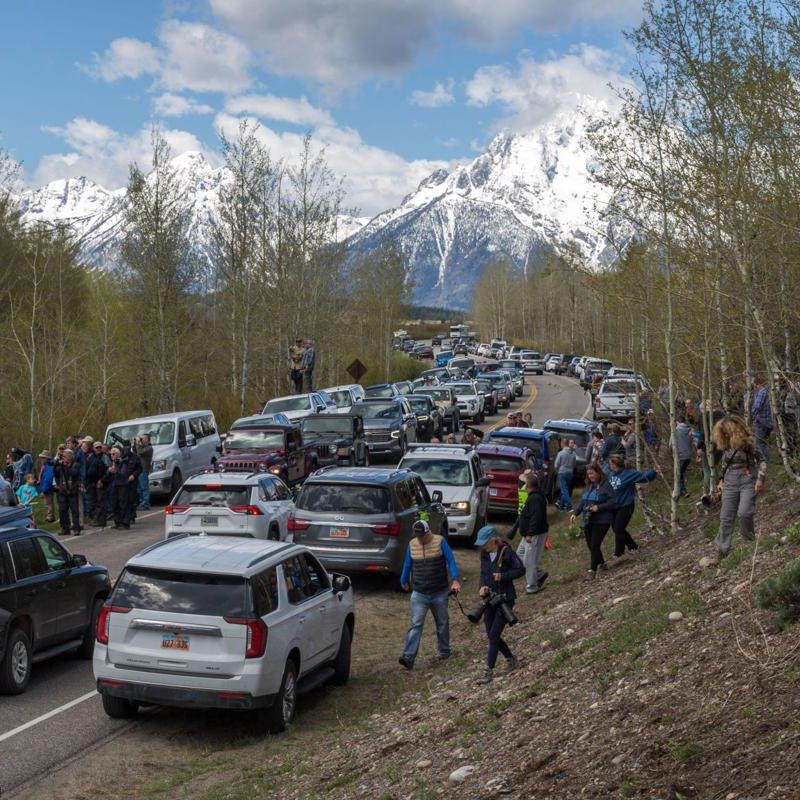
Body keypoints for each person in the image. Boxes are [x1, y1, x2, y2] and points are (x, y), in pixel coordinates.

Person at [398, 520, 461, 669]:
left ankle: (444, 651)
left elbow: (451, 560)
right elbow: (408, 563)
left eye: (421, 533)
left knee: (442, 623)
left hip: (439, 591)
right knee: (416, 624)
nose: (419, 537)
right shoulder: (412, 544)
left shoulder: (440, 541)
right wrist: (403, 579)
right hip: (419, 592)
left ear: (427, 531)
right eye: (417, 534)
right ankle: (408, 657)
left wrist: (455, 580)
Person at [711, 415, 767, 561]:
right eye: (722, 432)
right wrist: (721, 479)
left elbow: (762, 461)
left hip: (747, 478)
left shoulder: (748, 442)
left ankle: (750, 541)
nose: (724, 434)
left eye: (726, 431)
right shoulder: (726, 444)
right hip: (730, 480)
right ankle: (722, 550)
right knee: (726, 517)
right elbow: (725, 463)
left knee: (744, 513)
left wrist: (760, 479)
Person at [474, 526, 525, 684]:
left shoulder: (506, 552)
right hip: (489, 599)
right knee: (491, 634)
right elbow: (483, 574)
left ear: (493, 540)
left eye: (485, 543)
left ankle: (488, 670)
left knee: (494, 634)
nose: (483, 546)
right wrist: (481, 587)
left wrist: (502, 576)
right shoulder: (484, 555)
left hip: (505, 599)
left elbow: (520, 570)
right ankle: (511, 659)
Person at [607, 454, 658, 559]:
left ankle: (619, 552)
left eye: (611, 464)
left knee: (619, 528)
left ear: (616, 464)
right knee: (616, 529)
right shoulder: (610, 475)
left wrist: (654, 471)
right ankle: (633, 546)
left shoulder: (628, 474)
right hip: (614, 507)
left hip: (626, 506)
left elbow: (644, 476)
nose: (609, 466)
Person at [571, 464, 616, 581]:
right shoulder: (589, 486)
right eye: (588, 474)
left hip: (602, 520)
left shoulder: (606, 485)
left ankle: (592, 571)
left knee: (595, 544)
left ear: (598, 472)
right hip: (588, 519)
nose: (590, 476)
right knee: (590, 545)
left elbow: (613, 502)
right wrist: (575, 513)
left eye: (591, 473)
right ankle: (601, 563)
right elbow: (582, 501)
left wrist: (599, 507)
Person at [515, 473, 549, 594]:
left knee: (530, 561)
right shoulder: (533, 497)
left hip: (534, 534)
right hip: (527, 534)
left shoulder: (535, 499)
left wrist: (530, 533)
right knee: (519, 557)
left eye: (524, 483)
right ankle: (539, 575)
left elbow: (536, 518)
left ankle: (532, 587)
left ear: (528, 485)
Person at [108, 446, 141, 530]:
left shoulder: (123, 462)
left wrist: (115, 471)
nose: (111, 455)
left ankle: (125, 522)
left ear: (118, 454)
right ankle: (117, 521)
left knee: (123, 503)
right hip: (114, 485)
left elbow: (124, 473)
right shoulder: (112, 463)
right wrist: (108, 472)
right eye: (111, 454)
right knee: (115, 504)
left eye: (113, 454)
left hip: (122, 485)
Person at [53, 449, 82, 536]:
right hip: (63, 491)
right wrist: (56, 465)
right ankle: (65, 528)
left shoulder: (75, 465)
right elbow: (56, 474)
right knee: (62, 511)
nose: (63, 458)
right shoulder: (61, 466)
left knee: (74, 511)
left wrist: (65, 466)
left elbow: (73, 474)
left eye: (65, 456)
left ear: (70, 457)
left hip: (72, 491)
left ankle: (76, 528)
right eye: (62, 456)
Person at [85, 441, 109, 527]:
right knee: (94, 502)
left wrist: (102, 480)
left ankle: (101, 521)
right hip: (92, 483)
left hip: (101, 482)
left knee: (101, 502)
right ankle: (96, 519)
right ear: (93, 448)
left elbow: (108, 470)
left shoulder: (104, 457)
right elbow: (88, 469)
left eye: (99, 447)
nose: (98, 449)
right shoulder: (90, 457)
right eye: (96, 447)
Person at [750, 376, 773, 463]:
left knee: (759, 441)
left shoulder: (762, 391)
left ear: (758, 384)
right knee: (764, 440)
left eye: (755, 386)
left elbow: (757, 406)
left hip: (762, 420)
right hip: (769, 420)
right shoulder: (770, 390)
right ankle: (767, 459)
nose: (755, 388)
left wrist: (751, 415)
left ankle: (766, 460)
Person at [671, 414, 694, 497]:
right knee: (681, 473)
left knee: (678, 474)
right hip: (688, 456)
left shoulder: (675, 430)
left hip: (680, 456)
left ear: (677, 422)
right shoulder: (690, 430)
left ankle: (683, 491)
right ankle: (681, 490)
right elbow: (692, 440)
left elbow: (670, 444)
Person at [554, 439, 577, 511]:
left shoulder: (561, 453)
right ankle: (562, 506)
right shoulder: (573, 454)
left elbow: (556, 464)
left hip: (562, 472)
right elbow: (574, 464)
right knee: (565, 489)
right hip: (570, 472)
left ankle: (569, 506)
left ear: (564, 444)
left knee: (564, 490)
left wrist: (558, 470)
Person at [135, 434, 153, 510]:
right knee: (139, 488)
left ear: (148, 440)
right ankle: (141, 502)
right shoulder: (142, 447)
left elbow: (140, 452)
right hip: (139, 470)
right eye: (141, 438)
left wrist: (138, 443)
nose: (142, 439)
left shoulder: (149, 448)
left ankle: (145, 504)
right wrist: (135, 444)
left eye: (144, 438)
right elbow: (136, 451)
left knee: (144, 487)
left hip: (144, 470)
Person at [37, 450, 56, 523]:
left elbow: (48, 479)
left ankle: (50, 517)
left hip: (47, 488)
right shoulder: (44, 466)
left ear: (47, 458)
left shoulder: (49, 466)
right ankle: (50, 516)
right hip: (45, 487)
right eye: (41, 458)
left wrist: (44, 490)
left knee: (48, 503)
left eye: (43, 458)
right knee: (47, 503)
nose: (42, 459)